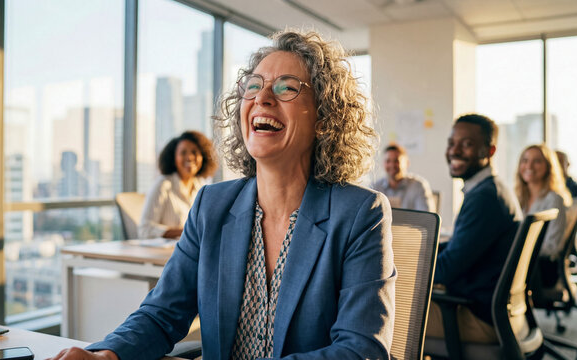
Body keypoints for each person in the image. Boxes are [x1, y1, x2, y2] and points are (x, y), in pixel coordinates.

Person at [49, 30, 395, 360]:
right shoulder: (211, 206)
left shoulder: (360, 214)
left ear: (324, 117)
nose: (261, 97)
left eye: (286, 87)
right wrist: (108, 354)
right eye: (253, 86)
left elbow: (360, 349)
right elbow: (162, 313)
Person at [425, 114, 523, 344]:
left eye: (467, 144)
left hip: (477, 317)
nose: (454, 151)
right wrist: (422, 253)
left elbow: (447, 271)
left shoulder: (484, 199)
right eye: (452, 143)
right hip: (496, 312)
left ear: (489, 152)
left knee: (381, 312)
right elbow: (463, 247)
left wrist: (404, 270)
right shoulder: (492, 189)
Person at [137, 130, 218, 239]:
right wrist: (185, 231)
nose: (189, 157)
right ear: (174, 158)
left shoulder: (201, 186)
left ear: (203, 157)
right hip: (165, 253)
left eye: (194, 152)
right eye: (183, 152)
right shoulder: (163, 184)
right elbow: (145, 230)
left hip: (193, 252)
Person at [516, 145, 571, 261]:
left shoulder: (554, 199)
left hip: (538, 267)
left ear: (548, 166)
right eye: (525, 160)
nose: (529, 166)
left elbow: (552, 246)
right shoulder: (518, 197)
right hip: (521, 261)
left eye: (537, 161)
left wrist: (517, 250)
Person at [370, 143, 435, 212]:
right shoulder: (375, 187)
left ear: (407, 163)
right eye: (388, 161)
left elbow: (426, 217)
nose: (392, 165)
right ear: (383, 164)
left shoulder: (418, 186)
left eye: (396, 161)